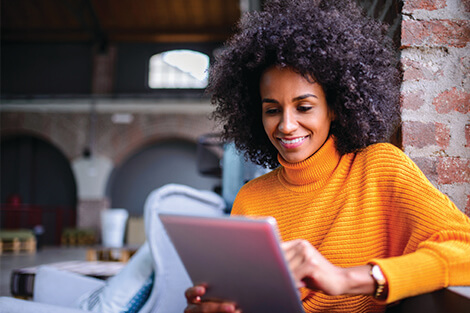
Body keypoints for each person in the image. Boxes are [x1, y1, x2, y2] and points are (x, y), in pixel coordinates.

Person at [184, 0, 470, 312]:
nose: (286, 125)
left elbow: (464, 250)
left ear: (334, 107)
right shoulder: (250, 198)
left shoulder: (379, 168)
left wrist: (348, 278)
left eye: (304, 107)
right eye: (272, 110)